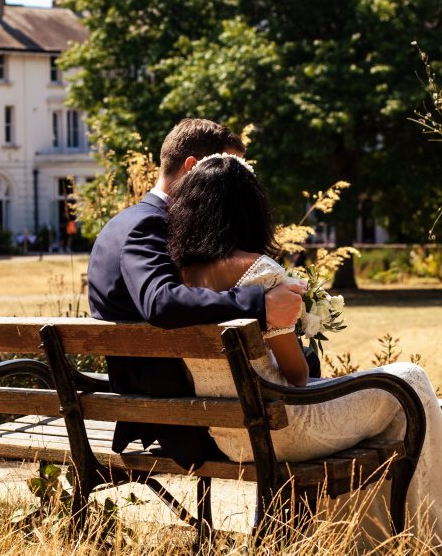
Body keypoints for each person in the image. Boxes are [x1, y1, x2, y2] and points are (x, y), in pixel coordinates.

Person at [167, 153, 442, 550]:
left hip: (229, 436)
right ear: (250, 208)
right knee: (410, 381)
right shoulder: (260, 271)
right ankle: (439, 538)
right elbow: (296, 375)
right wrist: (295, 327)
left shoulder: (181, 277)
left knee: (392, 408)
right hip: (285, 427)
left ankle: (370, 541)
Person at [86, 118, 307, 470]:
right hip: (178, 417)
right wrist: (261, 305)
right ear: (193, 167)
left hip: (173, 405)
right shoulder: (147, 225)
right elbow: (161, 302)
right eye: (229, 171)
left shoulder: (140, 222)